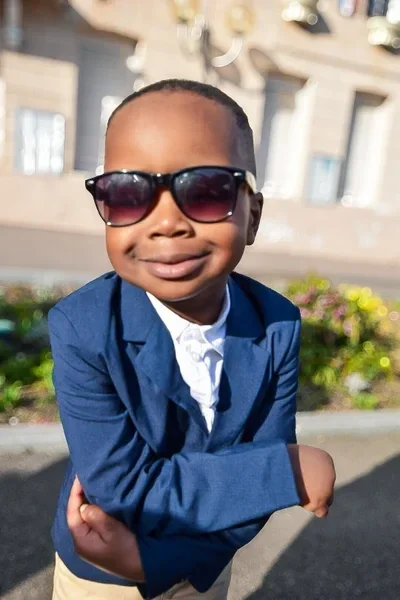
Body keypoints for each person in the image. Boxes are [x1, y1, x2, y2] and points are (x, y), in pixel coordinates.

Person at [49, 79, 335, 600]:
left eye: (206, 191)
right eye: (127, 193)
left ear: (253, 215)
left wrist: (161, 560)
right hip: (105, 572)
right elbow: (124, 488)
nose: (166, 223)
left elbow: (256, 482)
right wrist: (284, 472)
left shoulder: (277, 323)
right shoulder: (82, 327)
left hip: (206, 568)